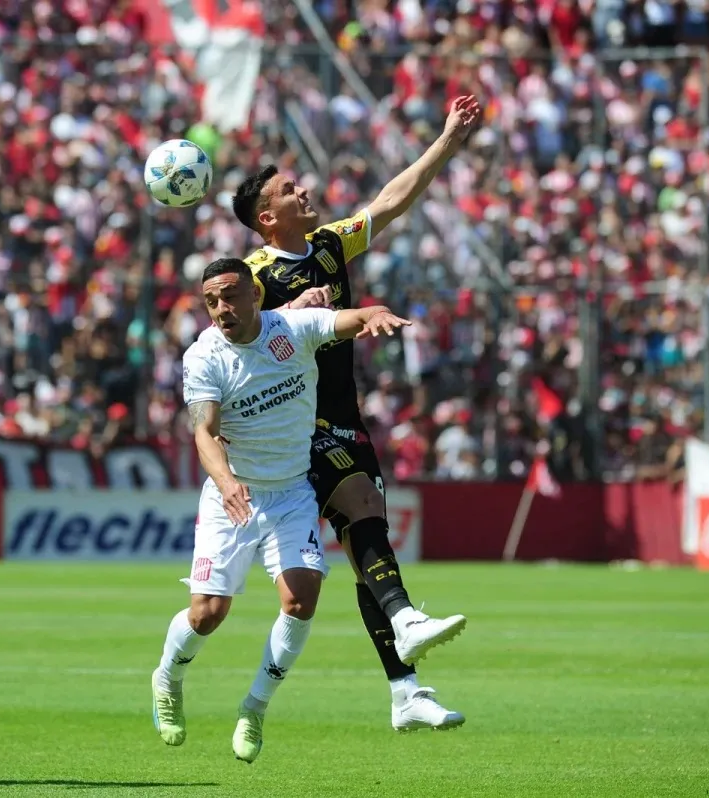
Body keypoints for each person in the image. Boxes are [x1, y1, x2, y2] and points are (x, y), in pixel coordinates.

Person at [229, 95, 484, 731]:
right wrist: (292, 317)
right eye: (291, 188)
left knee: (366, 540)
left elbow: (391, 201)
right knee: (364, 513)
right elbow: (229, 332)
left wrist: (448, 139)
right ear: (268, 216)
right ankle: (406, 621)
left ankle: (405, 692)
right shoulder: (254, 277)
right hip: (295, 423)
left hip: (346, 414)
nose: (305, 189)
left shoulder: (327, 246)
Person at [152, 258, 413, 762]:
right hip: (235, 494)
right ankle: (168, 676)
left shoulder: (290, 329)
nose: (221, 309)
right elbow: (203, 432)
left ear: (255, 293)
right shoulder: (203, 356)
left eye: (230, 295)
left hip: (292, 491)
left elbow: (345, 320)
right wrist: (226, 481)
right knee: (208, 613)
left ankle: (254, 708)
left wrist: (372, 312)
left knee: (300, 599)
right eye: (211, 301)